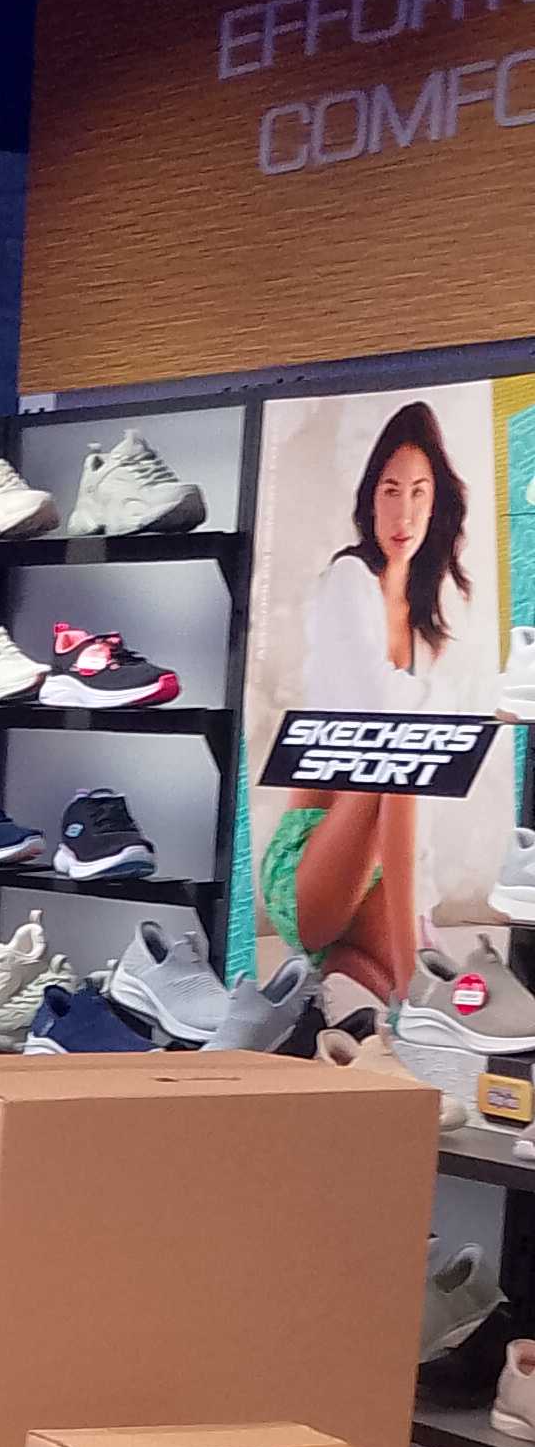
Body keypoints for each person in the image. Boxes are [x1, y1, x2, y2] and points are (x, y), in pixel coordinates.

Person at [261, 399, 472, 1004]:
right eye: (390, 490)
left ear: (437, 504)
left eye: (419, 493)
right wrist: (432, 712)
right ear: (370, 499)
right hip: (310, 857)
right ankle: (406, 976)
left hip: (374, 871)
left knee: (406, 1010)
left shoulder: (428, 622)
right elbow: (383, 715)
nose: (403, 512)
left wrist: (420, 908)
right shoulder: (348, 580)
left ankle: (350, 983)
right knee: (399, 758)